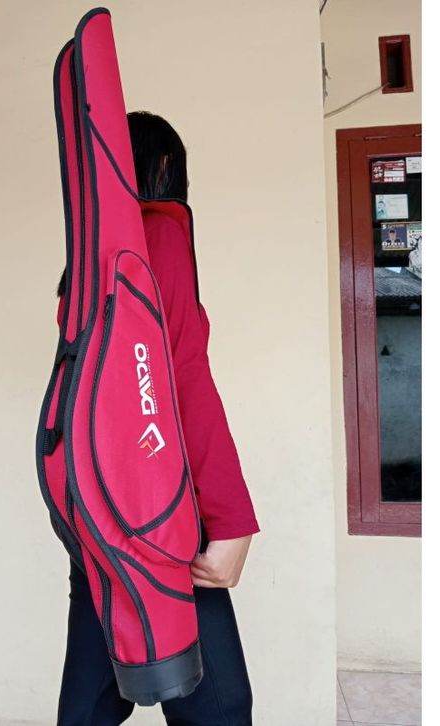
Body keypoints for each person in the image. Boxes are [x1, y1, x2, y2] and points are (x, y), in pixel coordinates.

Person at [56, 111, 260, 725]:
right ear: (164, 167)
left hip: (96, 508)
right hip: (159, 515)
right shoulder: (159, 237)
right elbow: (182, 382)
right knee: (219, 707)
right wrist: (230, 519)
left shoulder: (88, 260)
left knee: (91, 705)